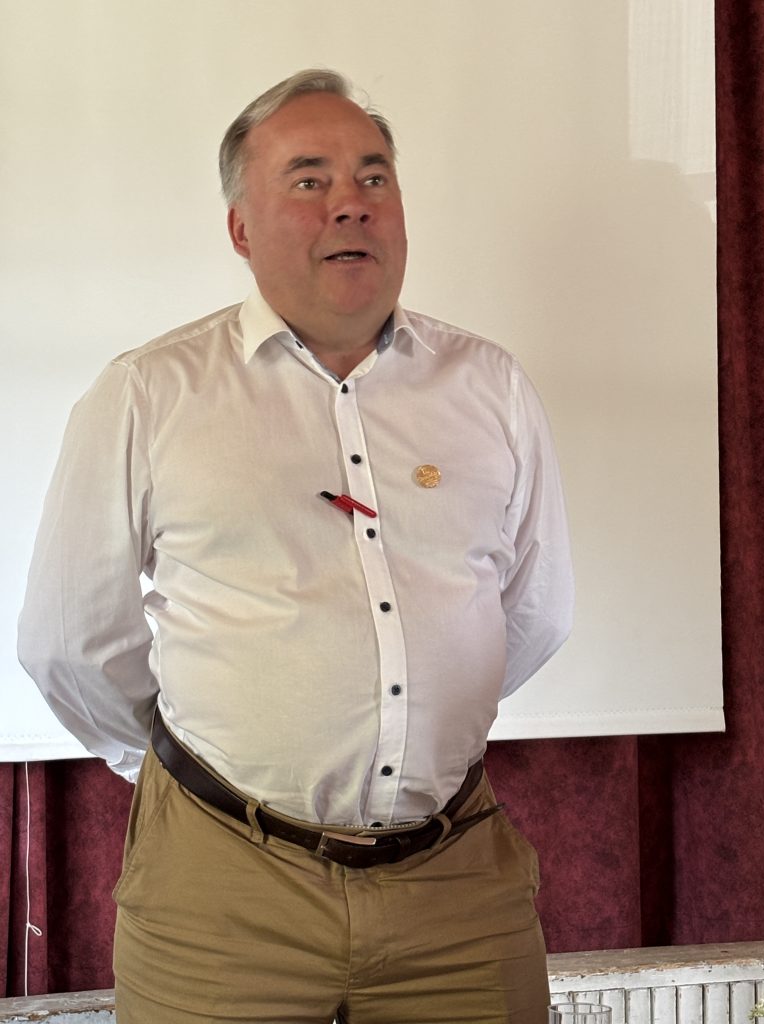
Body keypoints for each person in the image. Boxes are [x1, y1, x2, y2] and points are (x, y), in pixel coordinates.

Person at [18, 69, 574, 1023]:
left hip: (456, 890)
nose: (350, 203)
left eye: (373, 177)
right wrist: (194, 763)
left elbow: (529, 612)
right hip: (225, 894)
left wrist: (414, 721)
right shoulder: (149, 393)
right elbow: (70, 642)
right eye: (309, 180)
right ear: (241, 228)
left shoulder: (490, 387)